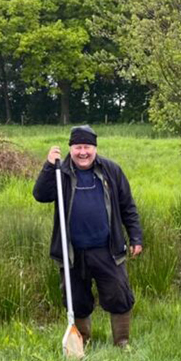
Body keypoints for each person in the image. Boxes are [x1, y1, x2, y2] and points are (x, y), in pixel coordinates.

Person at [33, 125, 143, 348]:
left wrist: (135, 236)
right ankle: (83, 342)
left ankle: (122, 342)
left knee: (119, 295)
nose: (83, 152)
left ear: (95, 148)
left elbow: (127, 205)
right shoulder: (59, 171)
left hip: (107, 249)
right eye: (77, 147)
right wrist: (48, 166)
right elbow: (41, 195)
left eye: (87, 147)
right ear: (70, 149)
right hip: (72, 251)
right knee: (77, 300)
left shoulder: (111, 170)